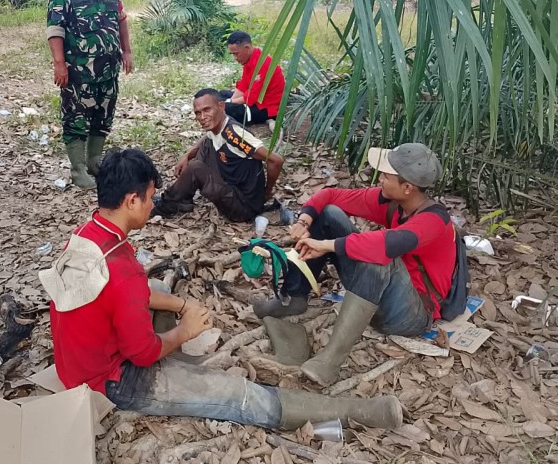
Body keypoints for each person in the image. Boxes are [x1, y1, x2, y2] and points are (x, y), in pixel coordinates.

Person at [39, 148, 404, 431]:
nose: (153, 205)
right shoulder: (121, 271)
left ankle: (180, 351)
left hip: (76, 363)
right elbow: (143, 353)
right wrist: (187, 330)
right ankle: (363, 411)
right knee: (236, 396)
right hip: (112, 381)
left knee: (150, 287)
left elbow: (130, 292)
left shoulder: (91, 233)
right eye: (149, 198)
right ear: (132, 200)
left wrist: (182, 304)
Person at [253, 143, 456, 387]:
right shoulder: (393, 202)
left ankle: (330, 361)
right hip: (375, 292)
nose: (380, 179)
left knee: (379, 256)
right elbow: (331, 196)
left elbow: (387, 245)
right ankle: (293, 298)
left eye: (386, 176)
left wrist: (327, 245)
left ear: (408, 187)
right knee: (328, 213)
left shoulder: (435, 221)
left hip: (410, 314)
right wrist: (305, 219)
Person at [47, 0, 133, 189]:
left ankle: (95, 161)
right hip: (78, 73)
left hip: (107, 71)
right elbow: (55, 29)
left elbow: (121, 20)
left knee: (102, 115)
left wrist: (127, 51)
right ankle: (77, 169)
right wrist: (59, 64)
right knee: (75, 118)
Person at [151, 89, 284, 222]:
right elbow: (206, 138)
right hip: (230, 185)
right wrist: (187, 155)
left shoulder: (234, 134)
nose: (202, 117)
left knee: (195, 168)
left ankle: (166, 205)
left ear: (221, 106)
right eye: (198, 113)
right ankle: (183, 198)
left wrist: (267, 191)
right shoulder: (218, 126)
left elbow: (276, 160)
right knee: (206, 145)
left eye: (207, 110)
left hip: (244, 207)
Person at [219, 31, 285, 126]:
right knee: (222, 94)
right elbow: (243, 84)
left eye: (236, 54)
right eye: (233, 54)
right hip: (255, 99)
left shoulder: (263, 64)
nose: (235, 58)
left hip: (267, 107)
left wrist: (229, 103)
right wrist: (230, 101)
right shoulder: (249, 59)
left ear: (247, 48)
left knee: (226, 108)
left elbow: (251, 97)